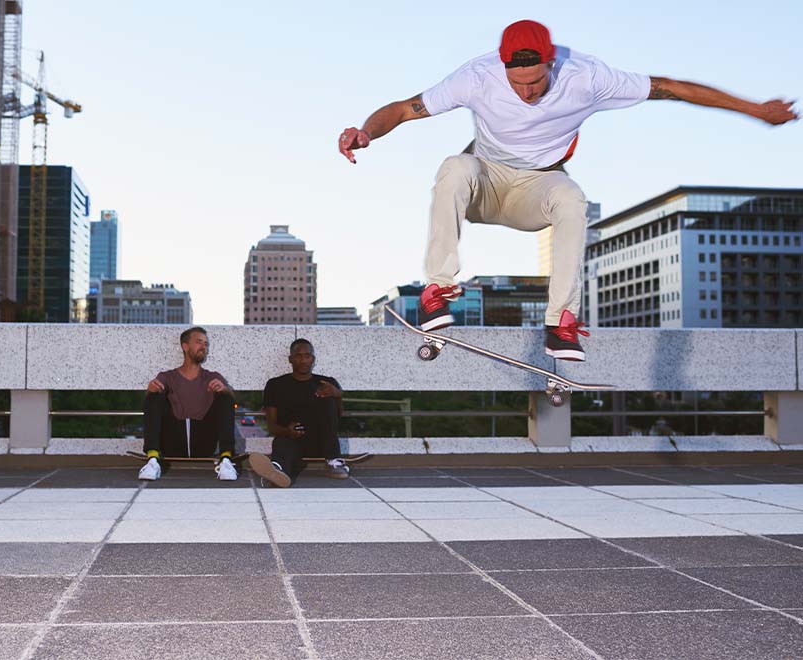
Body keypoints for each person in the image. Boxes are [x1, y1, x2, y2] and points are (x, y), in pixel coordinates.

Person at [338, 19, 798, 361]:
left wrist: (754, 109)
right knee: (455, 166)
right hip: (487, 181)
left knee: (573, 197)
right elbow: (403, 109)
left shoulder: (588, 75)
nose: (526, 93)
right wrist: (365, 132)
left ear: (551, 62)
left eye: (536, 81)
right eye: (517, 84)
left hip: (538, 188)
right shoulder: (476, 76)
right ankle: (437, 289)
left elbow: (671, 87)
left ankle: (561, 322)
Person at [137, 327, 238, 481]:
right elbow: (152, 400)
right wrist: (151, 389)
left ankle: (226, 460)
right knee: (154, 395)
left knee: (225, 396)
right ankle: (153, 460)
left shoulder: (212, 376)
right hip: (172, 441)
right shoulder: (167, 376)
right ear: (185, 346)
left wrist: (224, 390)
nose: (203, 347)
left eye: (206, 344)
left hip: (204, 441)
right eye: (199, 342)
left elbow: (231, 398)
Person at [248, 339, 350, 488]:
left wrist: (337, 395)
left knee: (328, 399)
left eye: (307, 356)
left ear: (313, 359)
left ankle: (333, 461)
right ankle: (277, 471)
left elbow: (337, 418)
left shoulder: (326, 383)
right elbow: (272, 426)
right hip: (290, 439)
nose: (303, 360)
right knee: (282, 444)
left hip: (321, 442)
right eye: (298, 356)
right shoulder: (275, 385)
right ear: (290, 359)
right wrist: (287, 431)